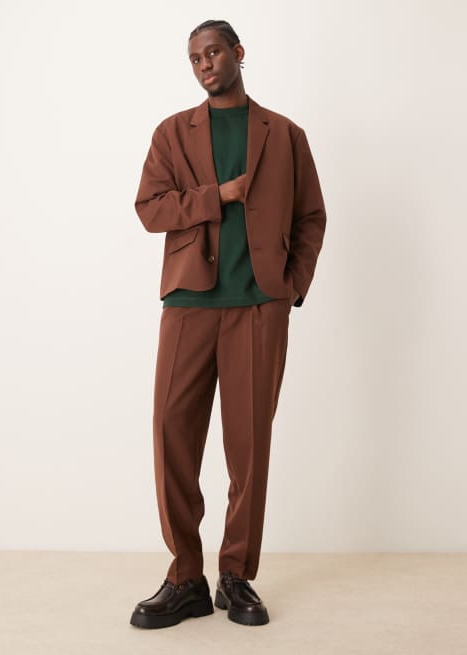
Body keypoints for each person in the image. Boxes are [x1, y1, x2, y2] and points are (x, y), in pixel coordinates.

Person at [130, 19, 326, 629]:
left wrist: (290, 288)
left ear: (238, 53)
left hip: (259, 307)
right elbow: (149, 209)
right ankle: (185, 577)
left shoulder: (285, 134)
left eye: (213, 52)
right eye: (194, 58)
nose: (204, 65)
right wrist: (216, 195)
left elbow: (312, 216)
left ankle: (236, 574)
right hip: (189, 303)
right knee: (171, 432)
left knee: (249, 445)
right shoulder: (172, 132)